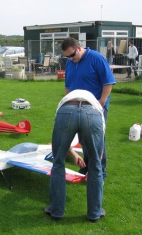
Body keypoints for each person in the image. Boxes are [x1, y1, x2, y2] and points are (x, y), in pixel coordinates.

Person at [57, 38, 115, 182]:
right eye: (67, 56)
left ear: (79, 47)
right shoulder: (70, 63)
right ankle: (87, 167)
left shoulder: (96, 58)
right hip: (76, 108)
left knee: (96, 141)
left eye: (72, 55)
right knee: (83, 138)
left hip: (95, 108)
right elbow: (68, 86)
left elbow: (108, 82)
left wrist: (101, 102)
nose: (70, 59)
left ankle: (99, 172)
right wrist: (68, 103)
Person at [44, 89, 106, 222]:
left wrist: (71, 153)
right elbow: (102, 131)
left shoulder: (65, 100)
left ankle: (56, 211)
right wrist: (99, 153)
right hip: (93, 114)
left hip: (65, 112)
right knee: (96, 165)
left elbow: (63, 143)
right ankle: (94, 213)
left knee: (58, 163)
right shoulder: (96, 105)